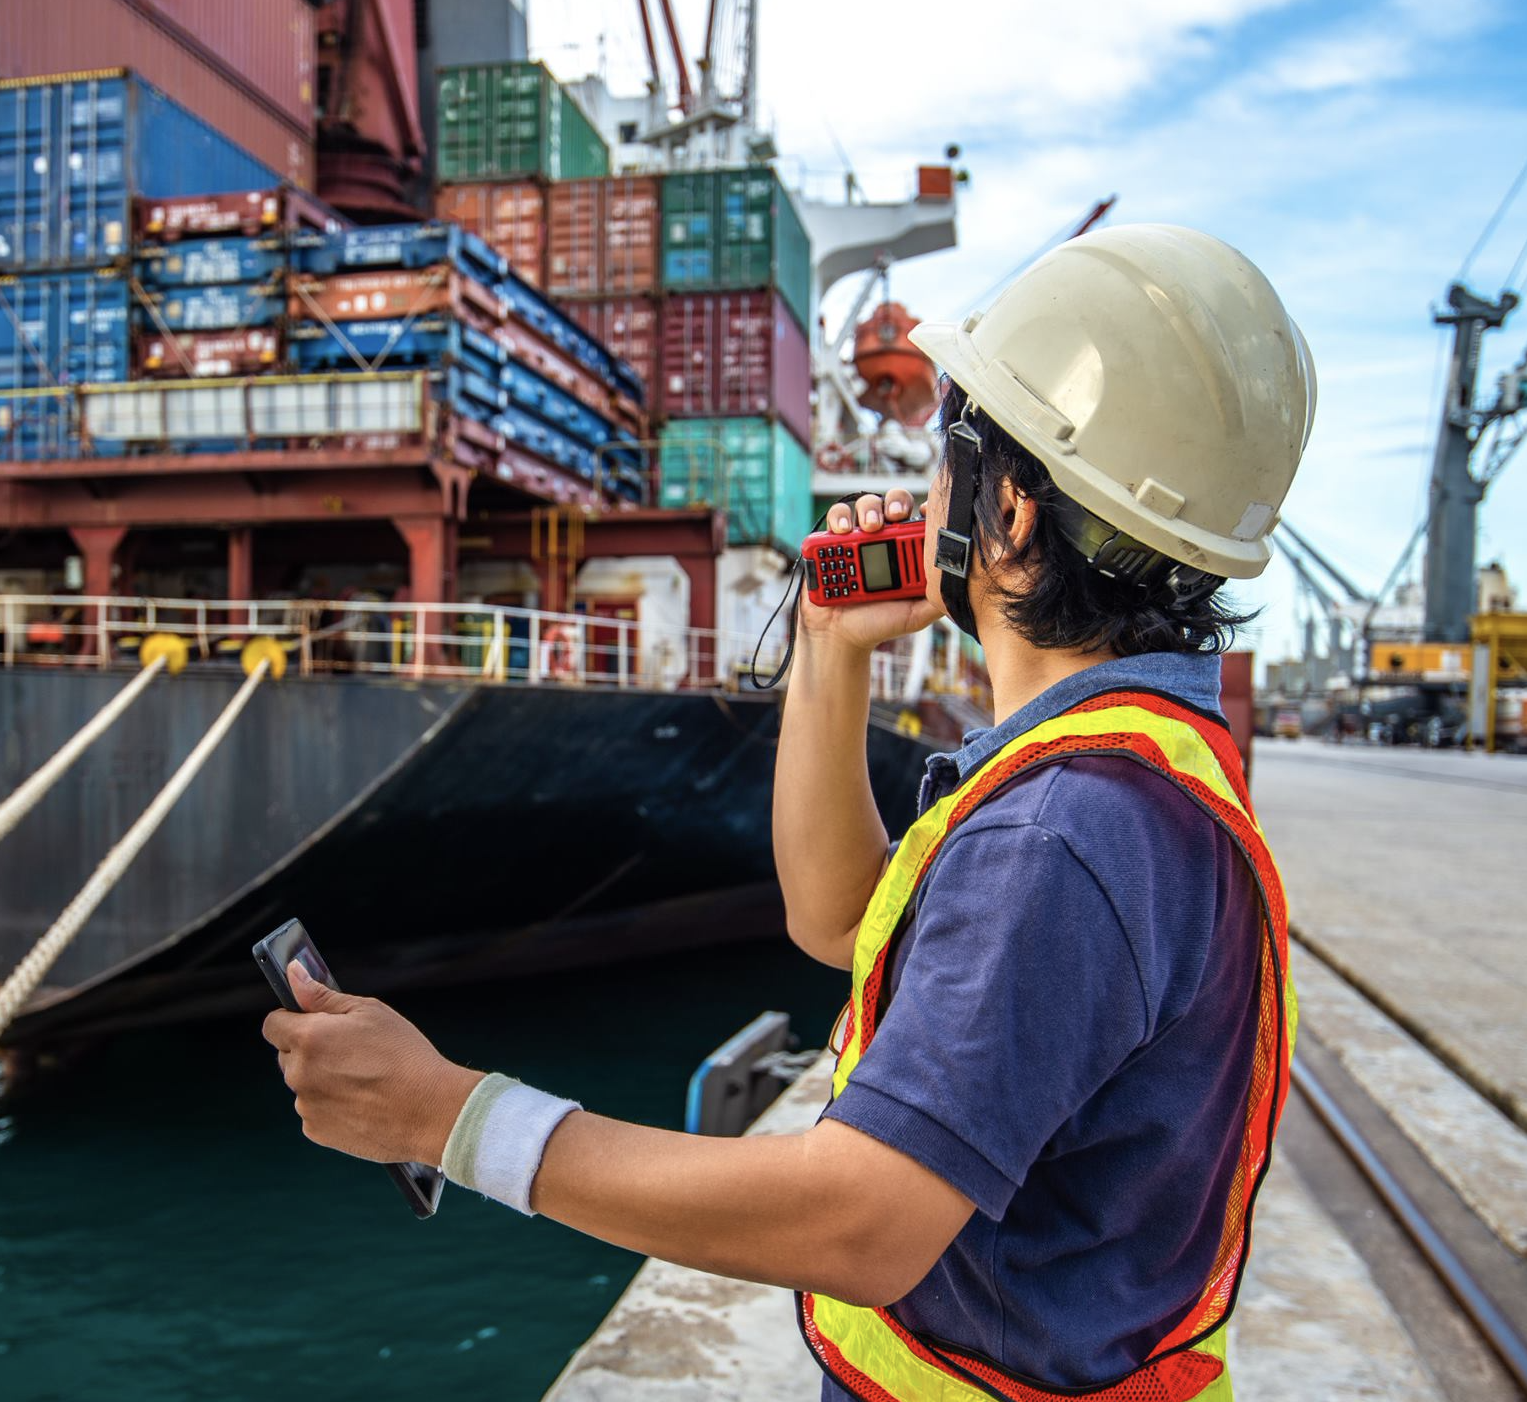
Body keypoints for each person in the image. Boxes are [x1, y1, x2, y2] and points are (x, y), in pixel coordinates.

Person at [264, 223, 1315, 1401]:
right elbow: (840, 918)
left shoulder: (1062, 829)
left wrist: (455, 1119)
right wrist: (829, 645)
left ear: (1011, 509)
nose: (926, 489)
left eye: (946, 455)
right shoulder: (1135, 765)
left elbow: (862, 1219)